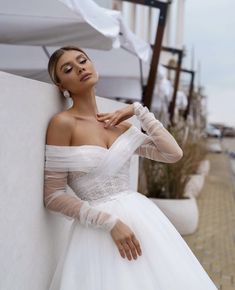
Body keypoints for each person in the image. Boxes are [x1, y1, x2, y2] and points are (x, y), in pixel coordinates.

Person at [44, 46, 217, 290]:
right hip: (98, 232)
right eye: (68, 69)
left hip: (142, 221)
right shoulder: (62, 124)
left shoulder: (120, 126)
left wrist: (138, 111)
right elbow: (52, 195)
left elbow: (172, 153)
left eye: (83, 60)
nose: (80, 67)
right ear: (62, 86)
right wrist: (110, 223)